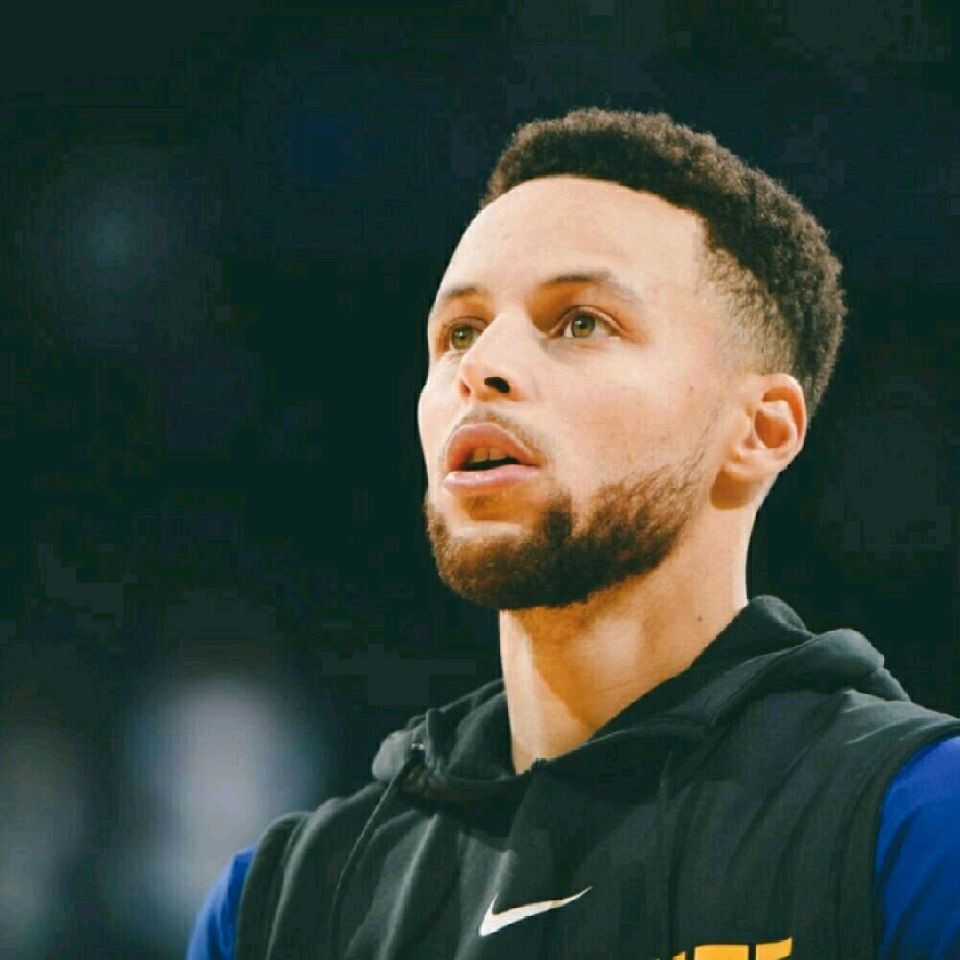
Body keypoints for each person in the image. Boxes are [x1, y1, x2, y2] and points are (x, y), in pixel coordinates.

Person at [186, 109, 960, 960]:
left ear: (759, 430)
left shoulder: (918, 820)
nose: (481, 368)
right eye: (459, 332)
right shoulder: (282, 905)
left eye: (580, 322)